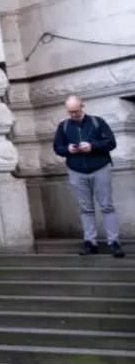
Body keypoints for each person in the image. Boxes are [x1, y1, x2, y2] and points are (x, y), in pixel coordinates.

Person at [53, 96, 124, 257]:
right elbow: (57, 147)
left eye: (76, 111)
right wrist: (68, 149)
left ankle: (114, 242)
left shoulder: (97, 122)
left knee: (106, 206)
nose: (73, 114)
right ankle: (90, 242)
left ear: (82, 107)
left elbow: (111, 143)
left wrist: (92, 147)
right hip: (76, 170)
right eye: (70, 112)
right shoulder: (63, 126)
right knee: (86, 208)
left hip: (99, 168)